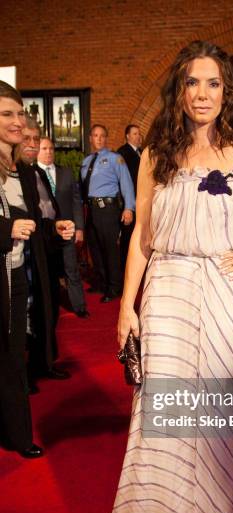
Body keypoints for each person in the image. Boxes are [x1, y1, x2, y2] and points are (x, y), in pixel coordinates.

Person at [101, 40, 233, 513]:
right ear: (179, 91)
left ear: (226, 91)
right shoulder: (157, 156)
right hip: (167, 292)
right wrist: (126, 307)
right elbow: (144, 234)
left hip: (228, 294)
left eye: (213, 83)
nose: (203, 94)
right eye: (192, 83)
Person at [0, 80, 75, 458]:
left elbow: (28, 221)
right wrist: (6, 229)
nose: (18, 122)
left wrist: (52, 227)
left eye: (19, 113)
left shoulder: (24, 171)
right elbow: (11, 224)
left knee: (12, 359)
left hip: (14, 277)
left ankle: (16, 435)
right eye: (7, 114)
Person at [17, 121, 71, 387]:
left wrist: (57, 227)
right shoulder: (12, 173)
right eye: (26, 138)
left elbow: (43, 215)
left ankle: (44, 363)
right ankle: (24, 374)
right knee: (27, 315)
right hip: (22, 256)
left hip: (45, 251)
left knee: (47, 311)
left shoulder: (35, 173)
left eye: (35, 139)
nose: (32, 143)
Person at [80, 124, 135, 302]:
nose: (99, 139)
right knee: (95, 248)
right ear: (90, 138)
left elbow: (126, 182)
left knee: (110, 249)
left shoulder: (115, 158)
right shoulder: (86, 161)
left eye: (102, 136)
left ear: (106, 138)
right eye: (95, 135)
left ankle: (114, 287)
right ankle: (101, 283)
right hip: (91, 210)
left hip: (108, 209)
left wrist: (129, 208)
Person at [37, 137, 88, 318]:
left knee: (71, 269)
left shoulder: (66, 172)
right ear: (37, 150)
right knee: (47, 272)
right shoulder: (31, 174)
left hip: (67, 230)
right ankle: (49, 308)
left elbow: (76, 202)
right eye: (44, 148)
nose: (49, 152)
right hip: (44, 233)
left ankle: (79, 307)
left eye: (51, 148)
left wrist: (79, 228)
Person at [117, 124, 142, 270]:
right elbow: (123, 181)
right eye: (134, 133)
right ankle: (125, 271)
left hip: (142, 202)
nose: (138, 136)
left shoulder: (141, 152)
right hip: (129, 203)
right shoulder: (122, 153)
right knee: (127, 239)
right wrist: (127, 205)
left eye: (139, 133)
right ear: (127, 136)